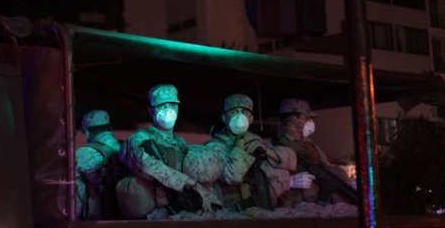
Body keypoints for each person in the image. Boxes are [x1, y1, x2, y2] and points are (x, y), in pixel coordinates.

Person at [116, 84, 212, 219]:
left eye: (172, 105)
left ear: (178, 108)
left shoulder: (180, 143)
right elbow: (148, 166)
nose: (168, 110)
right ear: (151, 111)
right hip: (152, 216)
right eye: (162, 106)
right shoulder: (138, 139)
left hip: (180, 209)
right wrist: (188, 182)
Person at [205, 94, 314, 210]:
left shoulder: (254, 139)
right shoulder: (215, 145)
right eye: (233, 112)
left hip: (259, 203)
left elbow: (290, 158)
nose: (239, 117)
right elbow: (233, 176)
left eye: (245, 112)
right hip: (231, 208)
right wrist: (240, 142)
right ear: (224, 117)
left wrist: (266, 151)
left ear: (251, 118)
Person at [273, 98, 357, 207]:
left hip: (317, 208)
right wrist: (289, 181)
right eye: (307, 118)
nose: (311, 122)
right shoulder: (273, 146)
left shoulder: (312, 147)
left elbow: (327, 168)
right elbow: (264, 182)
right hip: (292, 210)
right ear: (294, 120)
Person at [75, 109, 124, 220]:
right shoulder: (125, 148)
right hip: (124, 218)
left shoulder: (82, 154)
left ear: (86, 132)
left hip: (94, 222)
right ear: (110, 128)